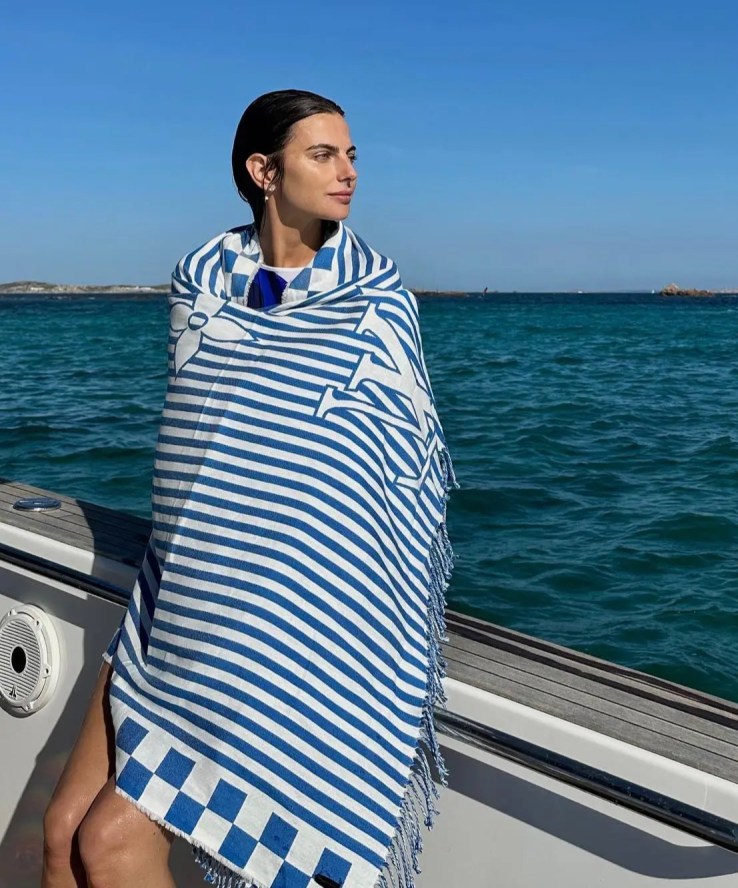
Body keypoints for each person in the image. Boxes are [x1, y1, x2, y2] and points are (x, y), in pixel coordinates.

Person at [43, 90, 453, 888]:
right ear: (263, 171)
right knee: (61, 833)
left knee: (109, 842)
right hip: (179, 602)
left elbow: (389, 477)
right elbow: (199, 453)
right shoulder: (200, 284)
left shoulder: (375, 302)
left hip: (284, 623)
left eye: (352, 155)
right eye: (323, 154)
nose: (348, 173)